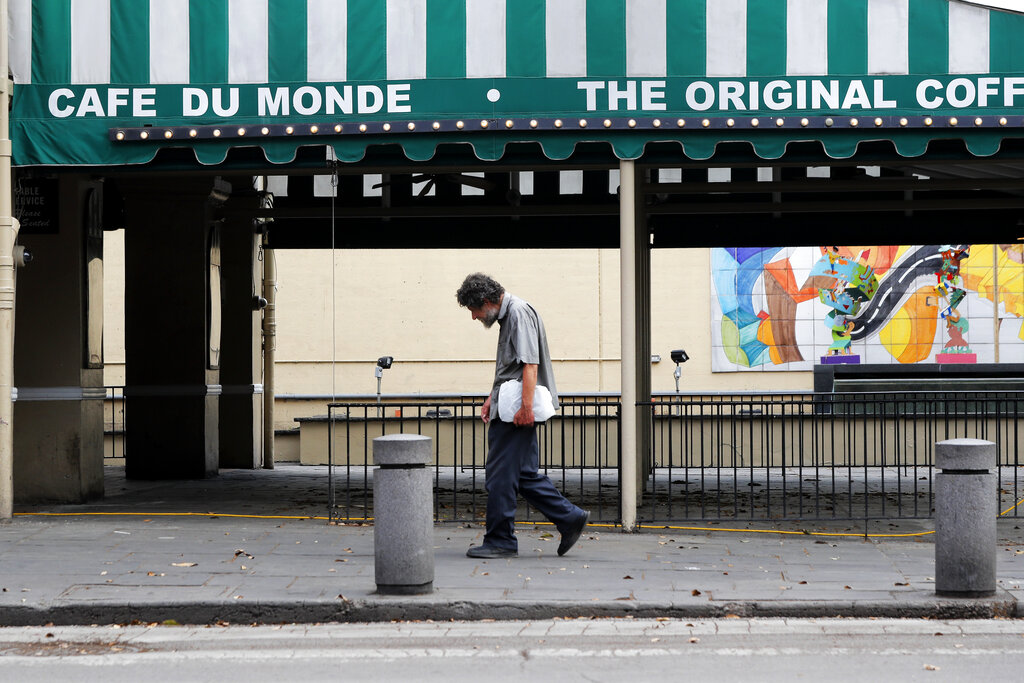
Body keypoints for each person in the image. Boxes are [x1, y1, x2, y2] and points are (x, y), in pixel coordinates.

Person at [455, 273, 589, 559]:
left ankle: (501, 540)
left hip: (516, 413)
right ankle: (570, 518)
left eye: (473, 310)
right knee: (524, 475)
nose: (474, 317)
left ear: (487, 302)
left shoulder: (517, 313)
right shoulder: (512, 315)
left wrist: (526, 408)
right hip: (513, 407)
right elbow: (513, 368)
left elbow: (530, 364)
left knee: (500, 475)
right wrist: (493, 396)